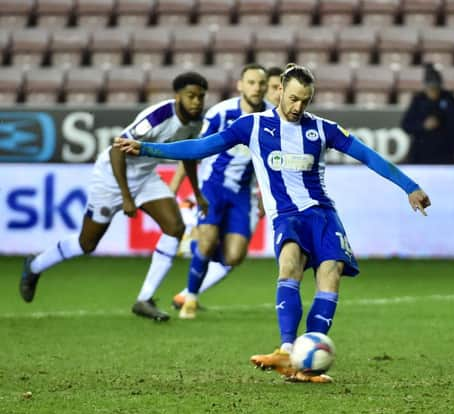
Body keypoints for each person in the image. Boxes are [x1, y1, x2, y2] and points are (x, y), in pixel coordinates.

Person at [114, 64, 431, 382]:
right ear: (279, 91)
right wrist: (148, 147)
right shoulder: (252, 126)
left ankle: (305, 365)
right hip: (286, 217)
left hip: (322, 214)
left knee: (331, 273)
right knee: (290, 264)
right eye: (293, 99)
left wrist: (410, 187)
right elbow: (201, 147)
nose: (298, 107)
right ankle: (285, 350)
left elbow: (368, 156)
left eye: (305, 101)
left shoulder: (323, 129)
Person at [19, 71, 209, 321]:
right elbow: (117, 150)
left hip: (145, 178)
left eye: (200, 97)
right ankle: (35, 265)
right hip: (111, 178)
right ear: (177, 96)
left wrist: (198, 194)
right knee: (86, 244)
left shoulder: (196, 122)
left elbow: (189, 156)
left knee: (175, 227)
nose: (196, 101)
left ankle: (144, 299)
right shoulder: (159, 116)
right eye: (190, 96)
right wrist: (126, 196)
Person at [171, 63, 271, 320]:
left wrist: (265, 196)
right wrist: (174, 188)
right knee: (207, 243)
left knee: (233, 257)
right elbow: (194, 151)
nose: (257, 88)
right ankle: (190, 298)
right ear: (240, 85)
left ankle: (198, 242)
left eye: (261, 83)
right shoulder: (220, 113)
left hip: (242, 194)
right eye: (251, 82)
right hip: (213, 188)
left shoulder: (272, 119)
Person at [401, 63, 454, 164]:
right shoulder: (419, 100)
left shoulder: (449, 100)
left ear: (440, 86)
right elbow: (406, 125)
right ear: (425, 87)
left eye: (435, 88)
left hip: (445, 154)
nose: (432, 91)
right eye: (430, 88)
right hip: (421, 154)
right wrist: (423, 125)